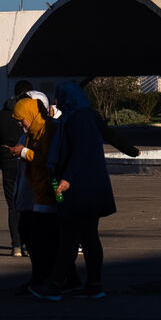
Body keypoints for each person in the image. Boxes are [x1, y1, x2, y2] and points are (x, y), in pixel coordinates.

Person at [32, 81, 118, 300]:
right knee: (86, 237)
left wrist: (66, 179)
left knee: (70, 236)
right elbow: (107, 135)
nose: (57, 101)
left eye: (59, 96)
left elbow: (81, 152)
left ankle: (57, 285)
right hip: (85, 187)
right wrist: (131, 150)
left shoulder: (78, 119)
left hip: (79, 189)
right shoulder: (83, 116)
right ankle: (91, 285)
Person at [8, 92, 59, 293]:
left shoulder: (48, 130)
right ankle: (42, 278)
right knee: (32, 236)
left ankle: (49, 280)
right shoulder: (32, 132)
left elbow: (46, 160)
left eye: (21, 119)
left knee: (43, 239)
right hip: (34, 194)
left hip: (47, 194)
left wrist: (23, 152)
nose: (19, 124)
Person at [0, 80, 31, 255]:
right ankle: (29, 243)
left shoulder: (1, 115)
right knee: (29, 203)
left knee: (12, 205)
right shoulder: (29, 116)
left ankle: (16, 245)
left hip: (8, 163)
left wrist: (2, 161)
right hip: (28, 164)